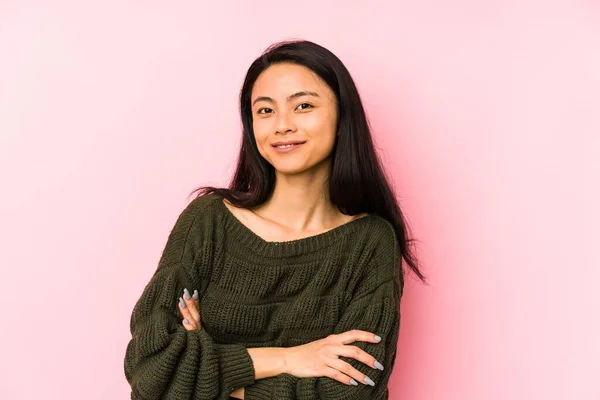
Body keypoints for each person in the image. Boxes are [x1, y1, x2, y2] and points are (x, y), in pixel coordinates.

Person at [124, 39, 426, 400]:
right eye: (265, 111)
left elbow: (350, 394)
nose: (282, 126)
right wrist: (287, 359)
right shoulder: (207, 222)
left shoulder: (370, 242)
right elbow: (152, 371)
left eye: (303, 106)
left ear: (342, 115)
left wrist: (208, 373)